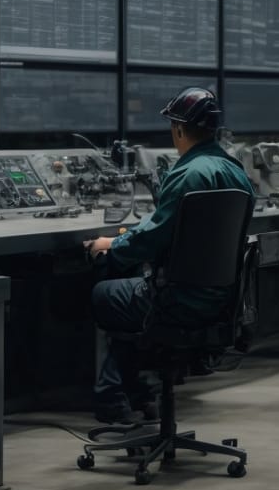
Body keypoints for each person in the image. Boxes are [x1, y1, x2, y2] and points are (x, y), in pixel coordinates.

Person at [82, 87, 253, 425]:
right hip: (221, 300)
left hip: (178, 299)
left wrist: (109, 245)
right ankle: (136, 391)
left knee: (107, 286)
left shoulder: (188, 173)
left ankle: (114, 396)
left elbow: (151, 240)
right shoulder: (236, 172)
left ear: (177, 128)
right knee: (133, 288)